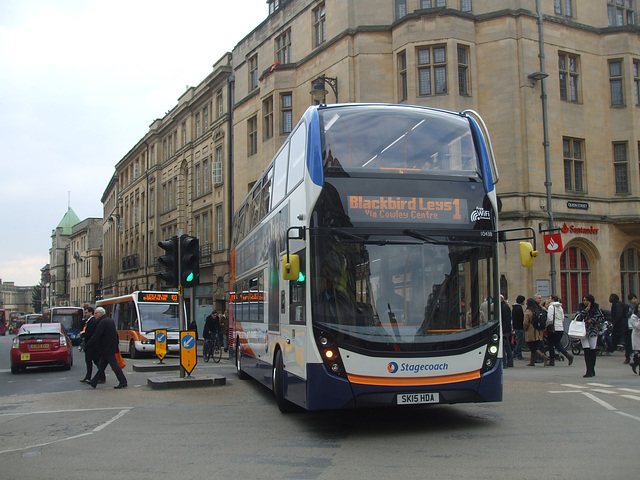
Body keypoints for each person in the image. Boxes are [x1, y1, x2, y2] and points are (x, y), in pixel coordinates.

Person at [85, 307, 128, 389]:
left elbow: (97, 335)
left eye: (96, 313)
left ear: (101, 313)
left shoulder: (103, 322)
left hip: (106, 348)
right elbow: (115, 335)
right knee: (101, 366)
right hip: (109, 347)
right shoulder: (109, 320)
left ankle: (123, 382)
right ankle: (94, 382)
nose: (95, 315)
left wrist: (88, 344)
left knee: (114, 366)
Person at [576, 293, 605, 378]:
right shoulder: (581, 308)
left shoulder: (596, 308)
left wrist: (592, 320)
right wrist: (586, 311)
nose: (585, 302)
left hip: (592, 331)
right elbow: (578, 317)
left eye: (587, 300)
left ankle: (592, 369)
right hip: (583, 331)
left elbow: (601, 318)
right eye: (584, 300)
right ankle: (588, 370)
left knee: (592, 349)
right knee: (586, 349)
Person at [546, 295, 573, 366]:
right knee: (557, 343)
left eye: (550, 298)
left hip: (553, 328)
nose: (549, 300)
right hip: (560, 328)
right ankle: (567, 355)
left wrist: (546, 325)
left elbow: (550, 319)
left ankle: (552, 360)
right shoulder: (560, 307)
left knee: (550, 344)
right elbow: (562, 318)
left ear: (552, 299)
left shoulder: (551, 307)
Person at [80, 307, 105, 383]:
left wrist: (83, 334)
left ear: (91, 313)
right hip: (90, 344)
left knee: (95, 361)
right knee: (90, 361)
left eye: (86, 312)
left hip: (92, 345)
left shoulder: (92, 321)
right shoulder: (89, 321)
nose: (85, 314)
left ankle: (100, 377)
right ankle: (89, 377)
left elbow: (91, 333)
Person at [524, 297, 549, 366]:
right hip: (539, 331)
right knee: (535, 346)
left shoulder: (528, 311)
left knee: (533, 347)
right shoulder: (538, 309)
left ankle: (544, 357)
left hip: (531, 331)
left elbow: (525, 322)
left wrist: (525, 329)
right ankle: (532, 362)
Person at [609, 293, 627, 359]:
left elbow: (618, 315)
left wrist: (614, 323)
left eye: (611, 297)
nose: (609, 299)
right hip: (618, 324)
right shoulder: (615, 305)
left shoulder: (617, 305)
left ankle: (612, 349)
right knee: (617, 337)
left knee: (617, 337)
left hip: (619, 324)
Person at [500, 296, 514, 368]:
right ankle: (510, 362)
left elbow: (506, 320)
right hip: (506, 329)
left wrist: (503, 331)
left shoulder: (503, 307)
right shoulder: (504, 306)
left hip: (504, 330)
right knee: (507, 346)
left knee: (504, 346)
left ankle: (505, 362)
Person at [625, 293, 638, 364]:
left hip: (636, 327)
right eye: (633, 299)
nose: (635, 300)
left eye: (635, 298)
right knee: (628, 342)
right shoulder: (627, 307)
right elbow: (625, 315)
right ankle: (627, 357)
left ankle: (635, 357)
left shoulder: (637, 307)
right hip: (629, 326)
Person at [512, 295, 526, 360]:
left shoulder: (514, 308)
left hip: (516, 326)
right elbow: (521, 318)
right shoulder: (519, 308)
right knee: (520, 341)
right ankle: (518, 353)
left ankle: (515, 352)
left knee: (519, 340)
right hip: (519, 327)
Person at [627, 303, 640, 374]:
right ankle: (635, 364)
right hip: (637, 337)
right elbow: (637, 326)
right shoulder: (634, 317)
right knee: (638, 353)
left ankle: (635, 364)